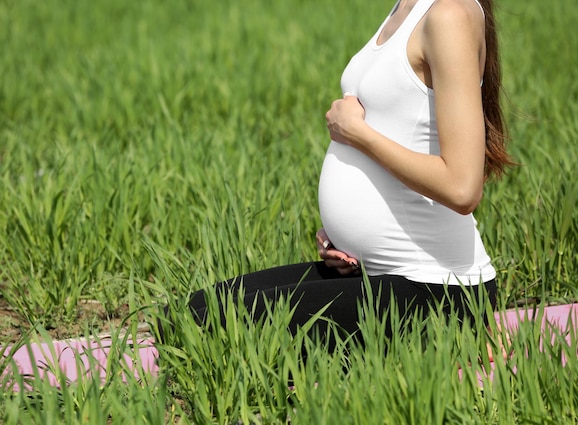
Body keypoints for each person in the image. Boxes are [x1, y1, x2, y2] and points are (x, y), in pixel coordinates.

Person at [161, 0, 514, 345]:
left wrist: (359, 135)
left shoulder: (449, 13)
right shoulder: (404, 7)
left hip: (436, 291)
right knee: (188, 313)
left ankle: (465, 332)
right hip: (369, 273)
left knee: (205, 327)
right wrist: (348, 240)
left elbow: (462, 188)